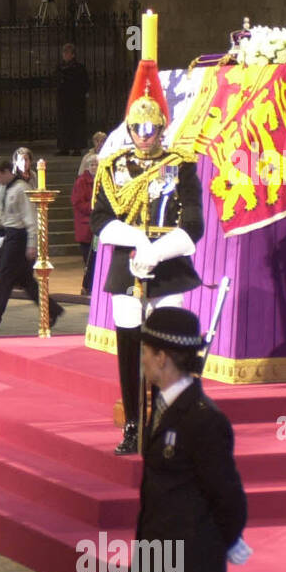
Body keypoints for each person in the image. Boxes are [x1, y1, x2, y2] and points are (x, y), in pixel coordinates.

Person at [134, 306, 247, 572]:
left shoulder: (205, 421)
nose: (142, 358)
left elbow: (230, 502)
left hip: (187, 567)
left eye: (146, 349)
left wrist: (203, 552)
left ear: (162, 356)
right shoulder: (160, 407)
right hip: (153, 560)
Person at [91, 52, 204, 455]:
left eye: (150, 127)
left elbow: (194, 227)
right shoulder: (113, 167)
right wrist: (136, 243)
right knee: (129, 349)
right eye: (136, 127)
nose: (143, 134)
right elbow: (101, 219)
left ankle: (169, 422)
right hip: (127, 265)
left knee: (167, 348)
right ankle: (135, 423)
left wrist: (155, 250)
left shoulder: (181, 166)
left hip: (169, 264)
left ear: (161, 128)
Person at [0, 159, 61, 332]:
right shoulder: (5, 188)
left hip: (19, 238)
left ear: (7, 172)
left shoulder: (22, 188)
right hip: (11, 235)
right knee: (25, 280)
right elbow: (1, 213)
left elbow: (30, 218)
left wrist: (31, 244)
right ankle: (53, 310)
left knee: (4, 277)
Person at [55, 43, 90, 156]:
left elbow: (84, 83)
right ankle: (64, 147)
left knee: (76, 124)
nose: (65, 54)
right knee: (64, 124)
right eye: (64, 52)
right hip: (63, 100)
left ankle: (76, 147)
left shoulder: (79, 67)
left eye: (67, 52)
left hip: (76, 100)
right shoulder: (60, 67)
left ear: (73, 54)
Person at [73, 153, 99, 295]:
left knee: (96, 258)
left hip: (98, 225)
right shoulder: (82, 181)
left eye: (96, 164)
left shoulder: (102, 180)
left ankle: (91, 285)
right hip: (86, 225)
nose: (94, 167)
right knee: (88, 259)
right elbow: (78, 202)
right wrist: (95, 208)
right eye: (92, 165)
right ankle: (87, 286)